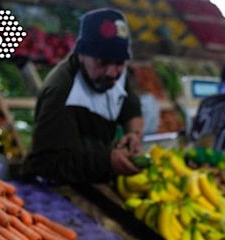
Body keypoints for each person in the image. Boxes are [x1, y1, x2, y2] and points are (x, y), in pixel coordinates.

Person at [23, 8, 144, 183]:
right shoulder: (61, 90)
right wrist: (107, 160)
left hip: (94, 176)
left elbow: (131, 106)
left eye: (119, 63)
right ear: (81, 55)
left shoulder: (115, 75)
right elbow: (47, 161)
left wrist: (133, 133)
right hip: (55, 187)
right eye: (102, 62)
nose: (111, 72)